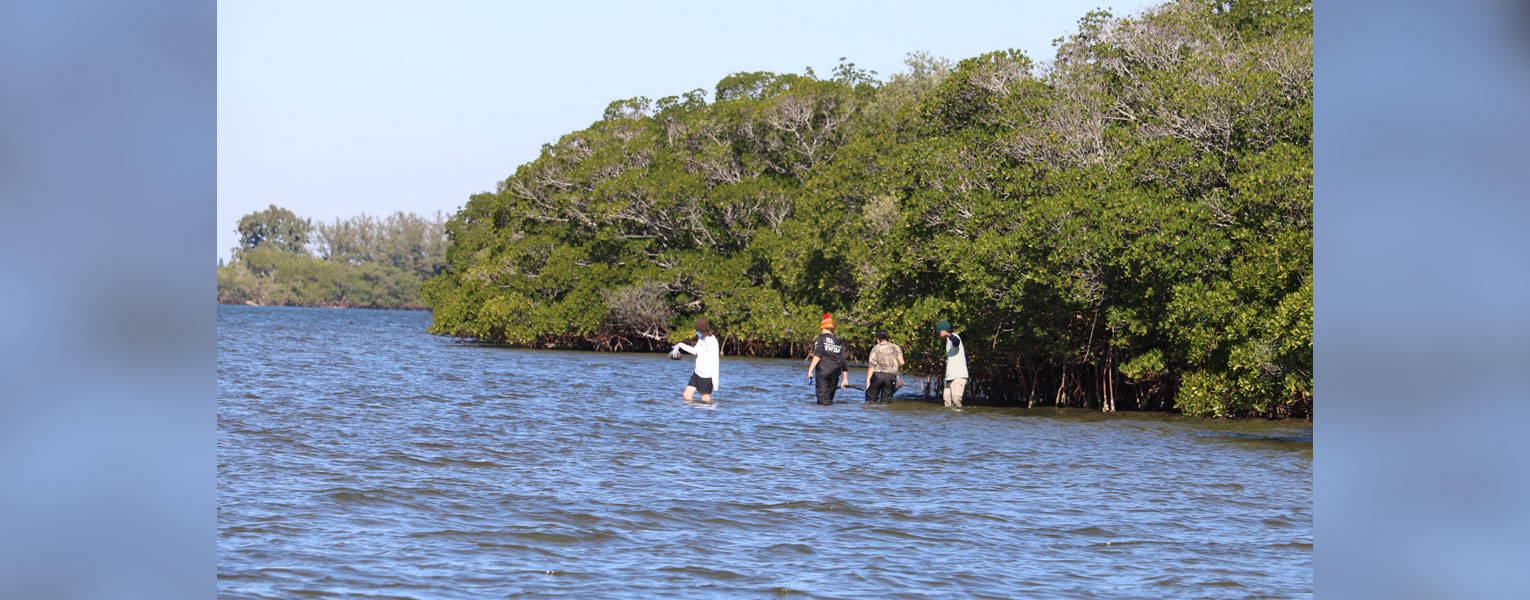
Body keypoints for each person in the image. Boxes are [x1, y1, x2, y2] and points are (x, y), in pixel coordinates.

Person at [672, 317, 720, 404]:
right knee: (687, 395)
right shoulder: (701, 338)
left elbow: (713, 359)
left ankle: (706, 416)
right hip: (697, 373)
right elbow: (695, 351)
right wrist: (681, 345)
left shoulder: (711, 340)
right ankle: (692, 415)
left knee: (705, 401)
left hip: (707, 375)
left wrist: (714, 380)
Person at [806, 313, 849, 405]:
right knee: (829, 399)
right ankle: (830, 416)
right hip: (835, 371)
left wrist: (810, 369)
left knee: (822, 400)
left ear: (823, 328)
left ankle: (822, 418)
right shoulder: (838, 340)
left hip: (823, 370)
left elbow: (817, 355)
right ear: (832, 329)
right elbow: (843, 359)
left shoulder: (821, 338)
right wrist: (845, 378)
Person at [864, 330, 905, 403]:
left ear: (877, 338)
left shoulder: (875, 348)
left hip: (877, 375)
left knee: (870, 400)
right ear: (888, 338)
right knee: (887, 401)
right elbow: (902, 362)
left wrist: (868, 380)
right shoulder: (896, 347)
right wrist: (896, 371)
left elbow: (872, 365)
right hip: (891, 376)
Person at [936, 319, 968, 408]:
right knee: (947, 401)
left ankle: (960, 420)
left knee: (956, 400)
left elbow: (956, 342)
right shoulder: (948, 341)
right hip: (950, 377)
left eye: (939, 332)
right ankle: (949, 421)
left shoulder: (954, 336)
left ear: (944, 331)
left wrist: (949, 335)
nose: (939, 334)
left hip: (958, 376)